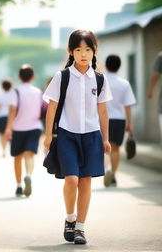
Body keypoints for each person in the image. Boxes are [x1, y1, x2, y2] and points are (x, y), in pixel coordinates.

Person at [43, 30, 112, 244]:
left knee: (86, 181)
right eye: (78, 49)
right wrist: (48, 137)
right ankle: (70, 218)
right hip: (66, 134)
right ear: (71, 52)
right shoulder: (61, 77)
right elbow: (52, 107)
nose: (83, 54)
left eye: (88, 49)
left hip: (91, 136)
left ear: (94, 52)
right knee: (71, 179)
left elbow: (102, 111)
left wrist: (105, 139)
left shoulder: (100, 79)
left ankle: (80, 227)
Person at [5, 64, 42, 197]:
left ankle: (19, 185)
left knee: (17, 158)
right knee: (29, 156)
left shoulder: (16, 91)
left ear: (19, 76)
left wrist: (8, 127)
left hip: (18, 129)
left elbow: (12, 110)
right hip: (34, 127)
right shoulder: (38, 92)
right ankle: (29, 175)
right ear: (33, 76)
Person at [104, 55, 136, 187]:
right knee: (115, 148)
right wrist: (130, 123)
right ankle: (113, 174)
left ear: (106, 65)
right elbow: (127, 105)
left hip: (103, 118)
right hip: (119, 119)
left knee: (105, 147)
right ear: (119, 66)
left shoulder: (101, 80)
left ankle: (106, 170)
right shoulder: (124, 83)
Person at [0, 79, 12, 157]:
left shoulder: (0, 95)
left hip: (2, 116)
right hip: (11, 116)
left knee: (2, 134)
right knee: (11, 134)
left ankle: (3, 150)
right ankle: (11, 149)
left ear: (2, 87)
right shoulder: (13, 95)